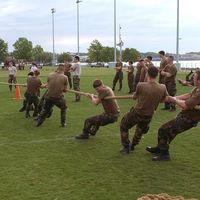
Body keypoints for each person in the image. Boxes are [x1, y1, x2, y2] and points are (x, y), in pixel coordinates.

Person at [146, 69, 200, 161]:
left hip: (189, 119)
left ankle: (164, 155)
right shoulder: (197, 88)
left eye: (195, 76)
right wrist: (174, 97)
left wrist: (174, 100)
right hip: (185, 115)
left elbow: (185, 105)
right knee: (169, 132)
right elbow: (188, 95)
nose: (193, 78)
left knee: (163, 130)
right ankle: (160, 148)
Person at [119, 66, 169, 154]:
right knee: (140, 130)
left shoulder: (141, 85)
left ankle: (126, 147)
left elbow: (134, 98)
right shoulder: (163, 87)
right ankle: (133, 145)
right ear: (157, 75)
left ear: (147, 74)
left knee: (123, 125)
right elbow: (164, 99)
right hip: (149, 115)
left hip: (137, 113)